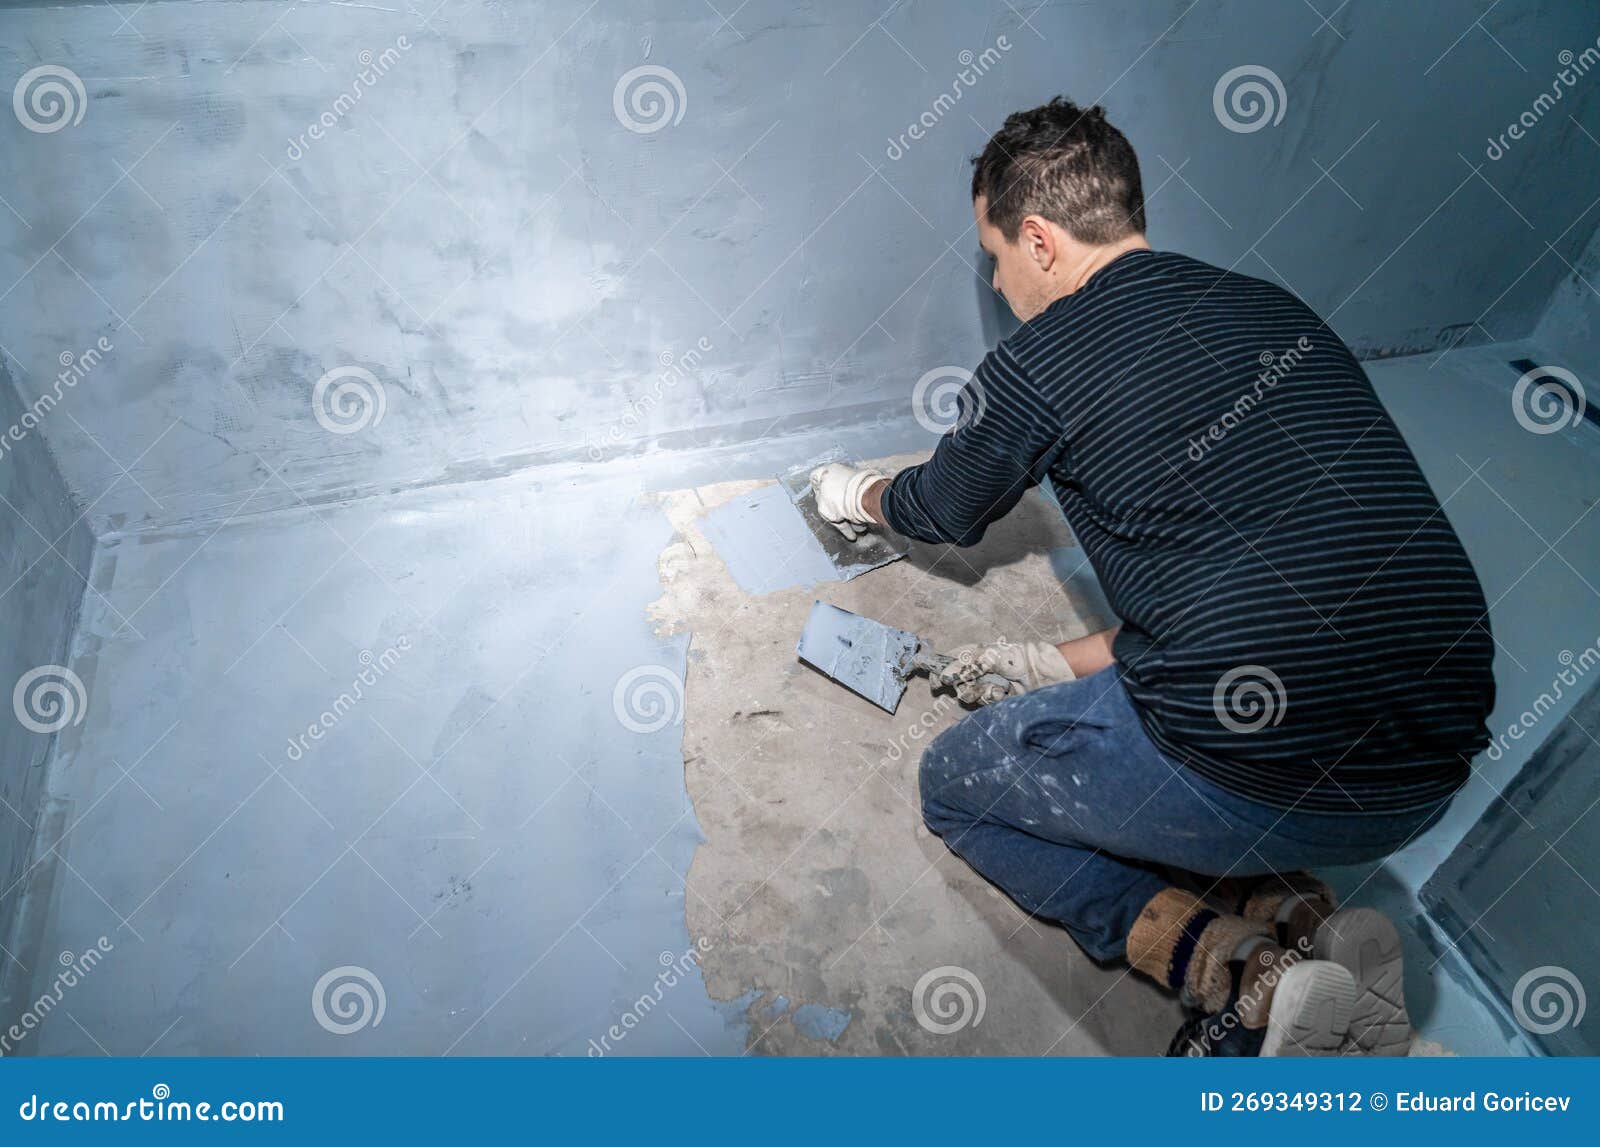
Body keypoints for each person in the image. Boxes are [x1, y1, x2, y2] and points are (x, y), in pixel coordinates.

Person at [809, 97, 1496, 1056]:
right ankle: (1315, 921)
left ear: (1040, 240)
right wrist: (1047, 661)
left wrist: (857, 487)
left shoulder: (1037, 359)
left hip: (1255, 764)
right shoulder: (1272, 306)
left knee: (955, 783)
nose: (1002, 287)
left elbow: (940, 510)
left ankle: (1243, 972)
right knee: (1228, 704)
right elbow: (1240, 571)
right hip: (1429, 769)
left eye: (998, 258)